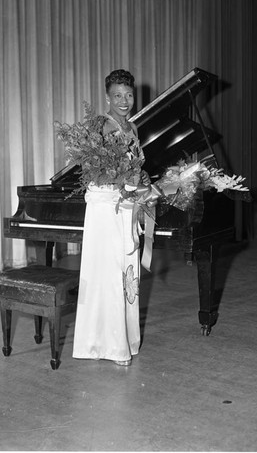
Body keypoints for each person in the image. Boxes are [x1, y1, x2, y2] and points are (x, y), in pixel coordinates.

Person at [72, 69, 150, 366]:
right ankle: (108, 344)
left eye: (129, 95)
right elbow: (95, 169)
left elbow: (135, 165)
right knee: (108, 271)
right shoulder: (100, 125)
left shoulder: (132, 126)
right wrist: (125, 181)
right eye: (117, 95)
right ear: (107, 97)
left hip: (125, 204)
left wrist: (139, 183)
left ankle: (125, 340)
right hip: (106, 208)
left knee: (126, 270)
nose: (124, 101)